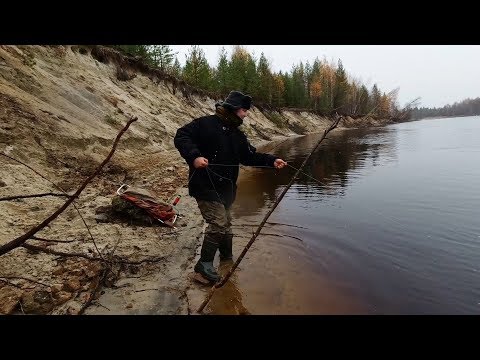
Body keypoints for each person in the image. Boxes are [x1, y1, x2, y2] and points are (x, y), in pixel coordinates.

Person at [174, 90, 287, 283]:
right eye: (244, 110)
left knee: (226, 225)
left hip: (227, 191)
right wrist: (194, 157)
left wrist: (272, 160)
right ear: (234, 109)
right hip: (204, 185)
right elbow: (181, 136)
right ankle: (203, 267)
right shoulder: (205, 124)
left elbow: (249, 156)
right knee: (218, 223)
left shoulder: (238, 136)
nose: (246, 114)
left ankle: (227, 259)